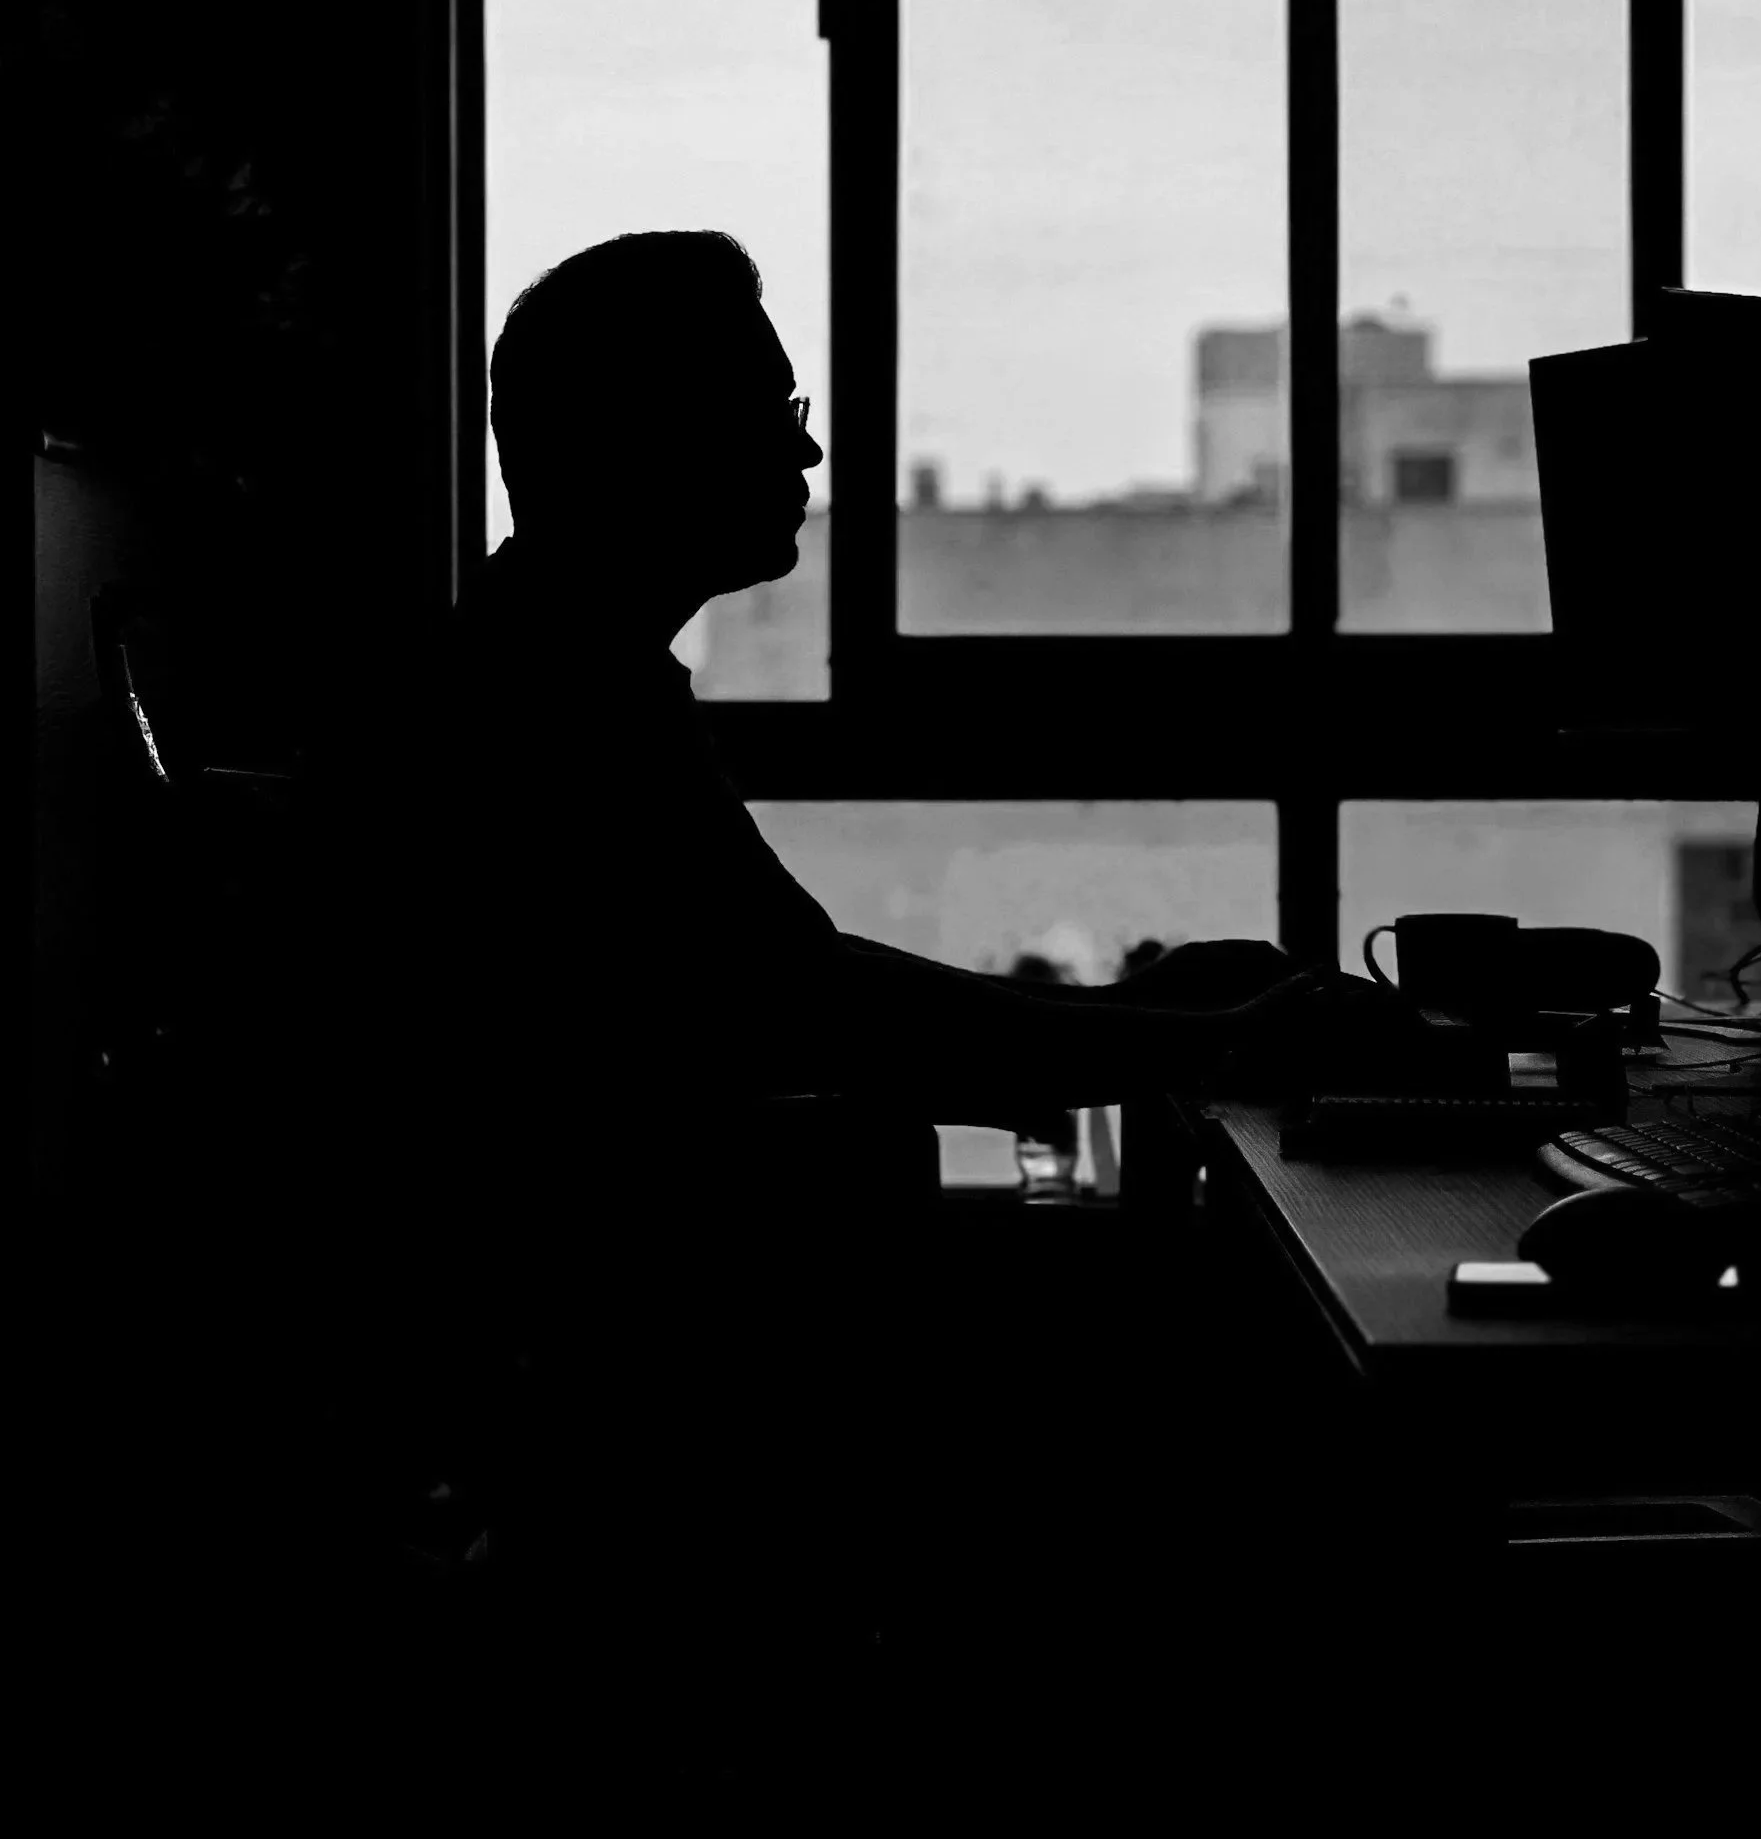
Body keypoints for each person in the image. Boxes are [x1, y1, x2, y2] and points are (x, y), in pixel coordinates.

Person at [385, 230, 1327, 1767]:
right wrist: (1195, 1042)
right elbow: (816, 1010)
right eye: (768, 408)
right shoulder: (551, 704)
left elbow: (789, 991)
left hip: (642, 1345)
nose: (807, 442)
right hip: (671, 1384)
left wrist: (1144, 1029)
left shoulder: (543, 662)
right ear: (645, 442)